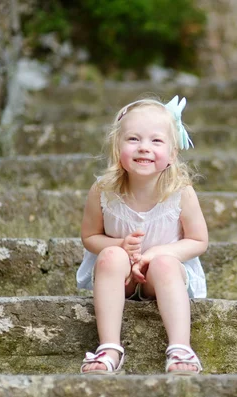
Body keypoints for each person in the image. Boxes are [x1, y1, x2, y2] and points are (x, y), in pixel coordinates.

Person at [76, 96, 207, 375]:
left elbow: (198, 241)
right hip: (120, 278)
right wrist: (119, 245)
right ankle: (109, 348)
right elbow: (90, 236)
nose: (144, 148)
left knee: (164, 264)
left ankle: (180, 348)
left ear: (172, 154)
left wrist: (155, 254)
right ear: (117, 147)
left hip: (160, 278)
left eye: (156, 141)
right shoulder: (103, 191)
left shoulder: (180, 192)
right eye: (133, 139)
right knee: (111, 256)